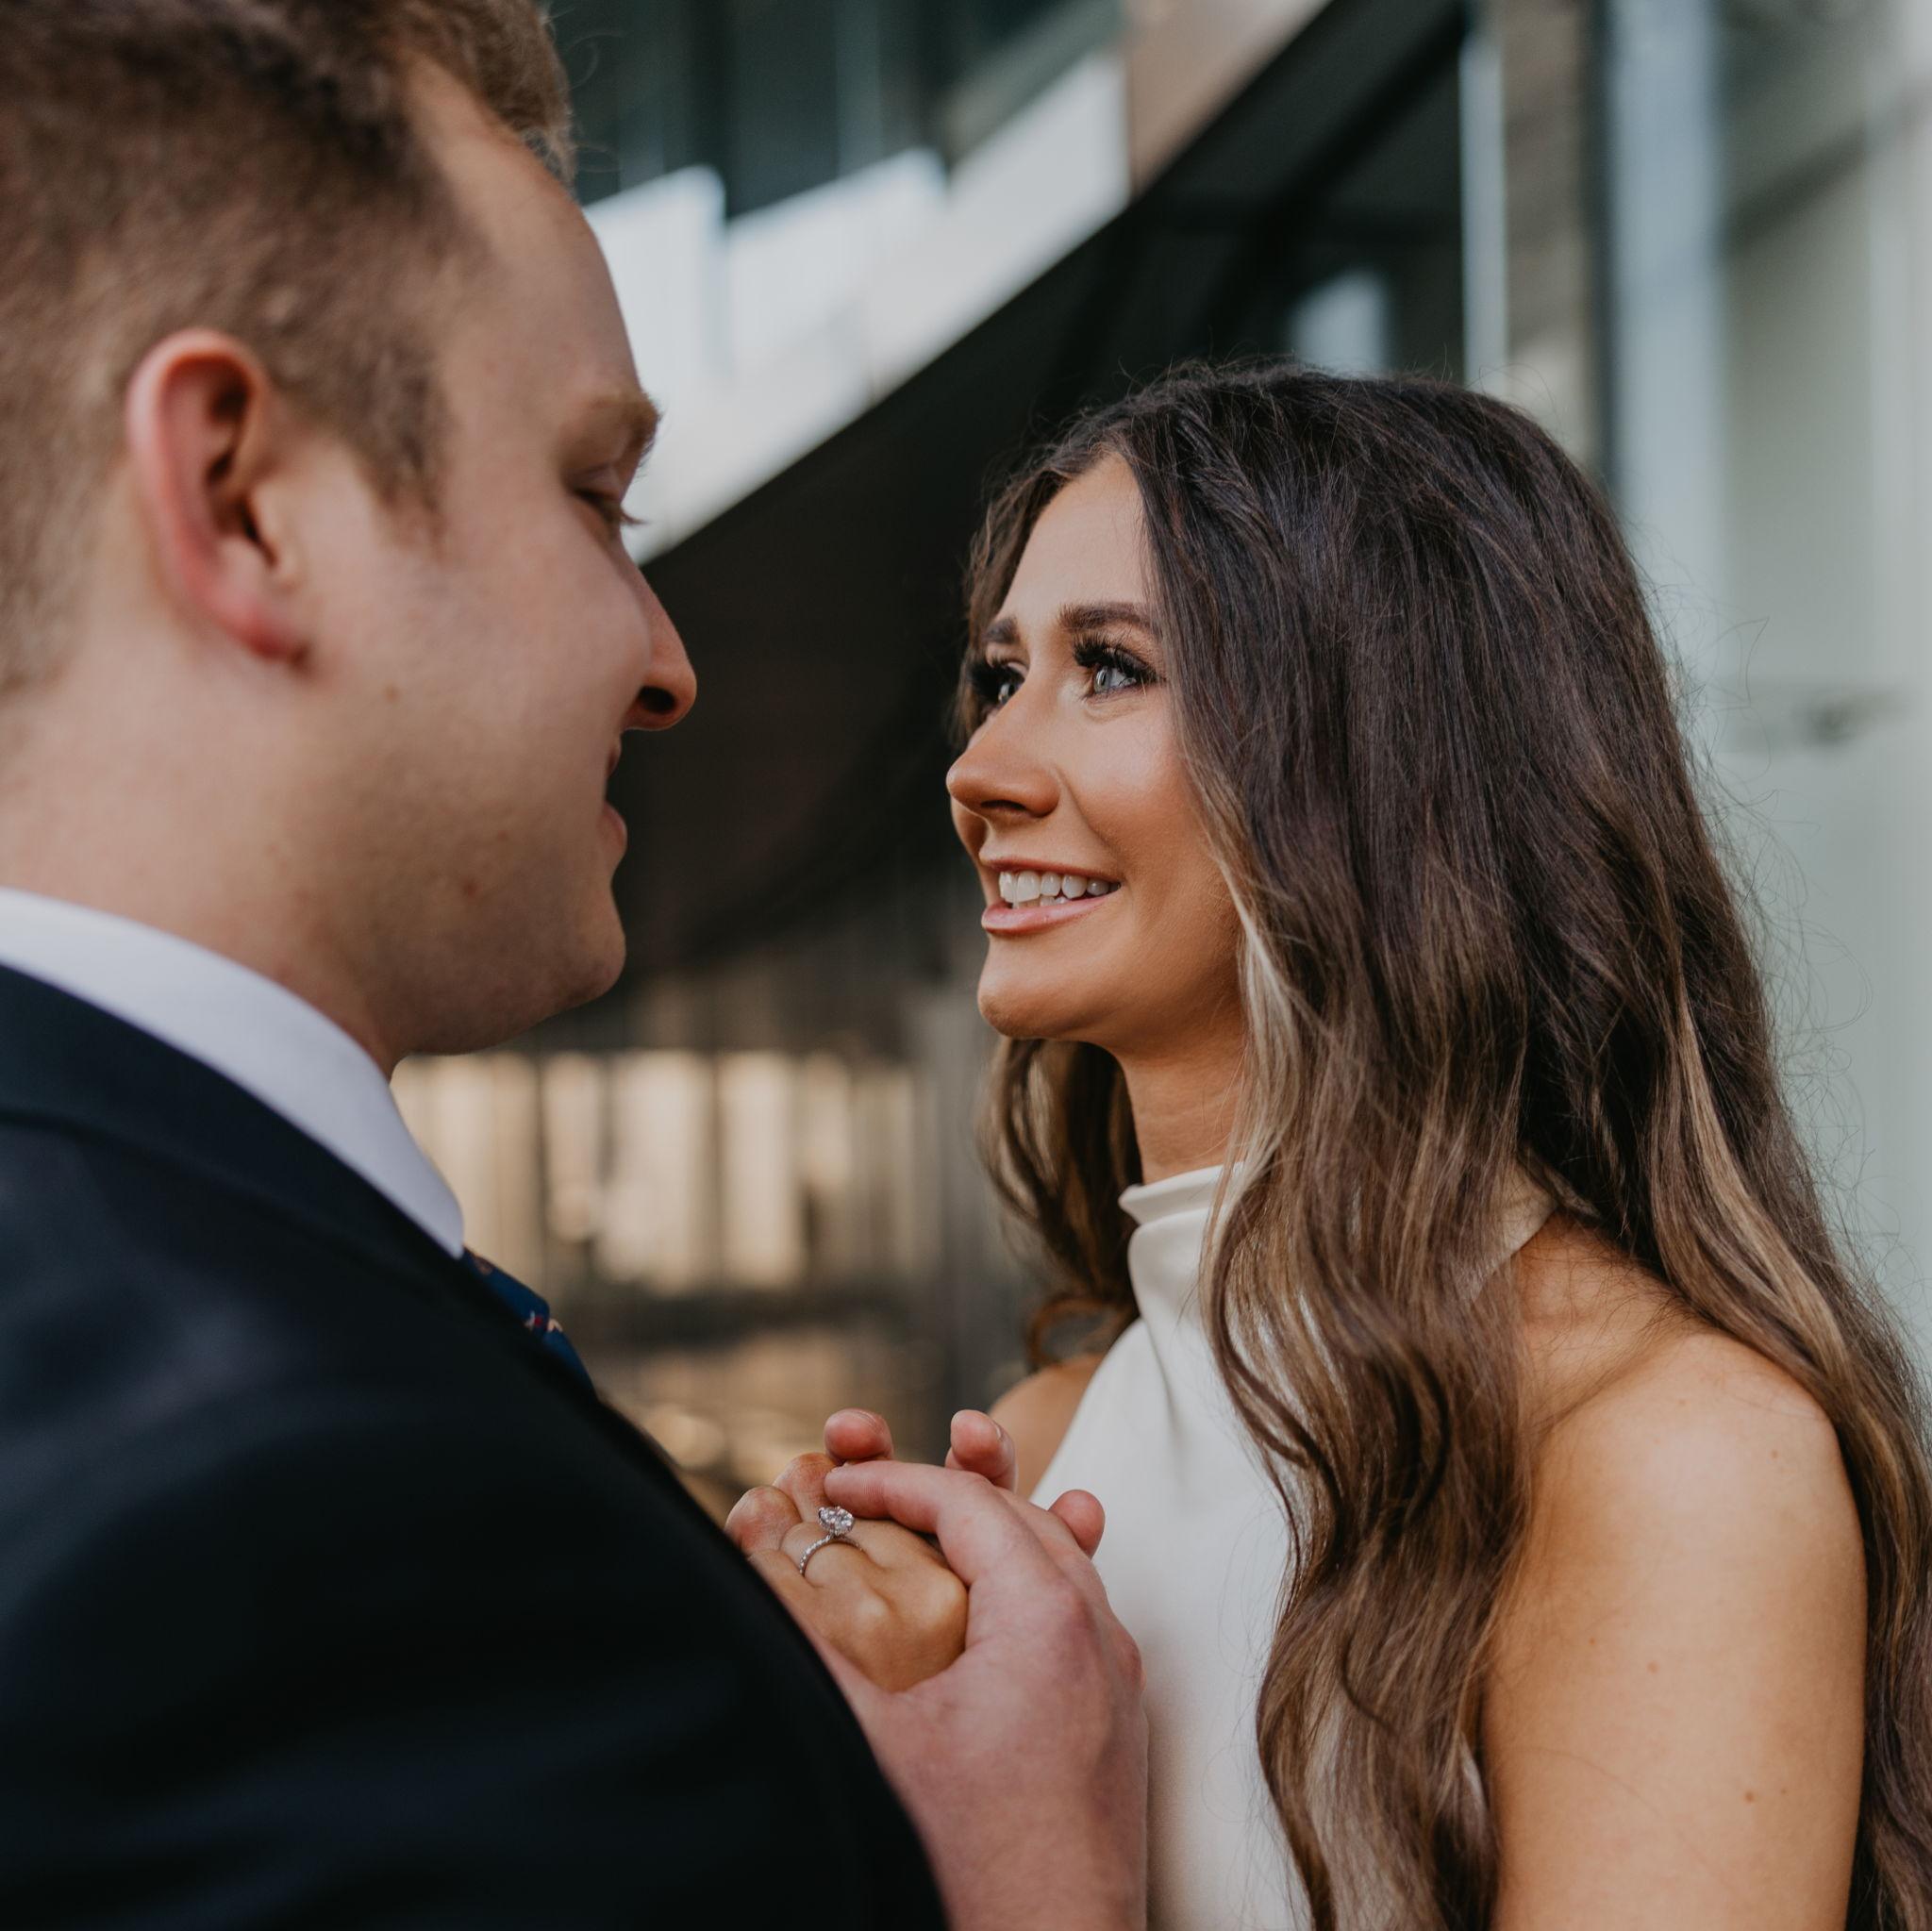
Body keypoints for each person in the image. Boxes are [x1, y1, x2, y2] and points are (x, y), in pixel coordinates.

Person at [0, 6, 1148, 1926]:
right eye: (593, 494)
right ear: (238, 494)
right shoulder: (351, 1537)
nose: (666, 654)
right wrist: (1021, 1886)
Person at [735, 364, 1932, 1930]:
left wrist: (1024, 1873)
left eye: (1110, 669)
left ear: (1387, 759)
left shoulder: (1665, 1458)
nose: (980, 774)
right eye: (999, 673)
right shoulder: (1034, 1453)